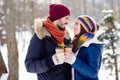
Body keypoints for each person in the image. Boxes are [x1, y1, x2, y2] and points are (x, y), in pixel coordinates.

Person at [25, 4, 72, 80]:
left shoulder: (66, 36)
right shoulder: (40, 36)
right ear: (58, 18)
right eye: (66, 18)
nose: (67, 22)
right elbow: (29, 65)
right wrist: (52, 61)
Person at [64, 15, 104, 80]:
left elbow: (92, 73)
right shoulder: (77, 43)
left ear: (85, 27)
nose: (73, 26)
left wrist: (74, 61)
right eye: (74, 24)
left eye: (77, 24)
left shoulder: (92, 46)